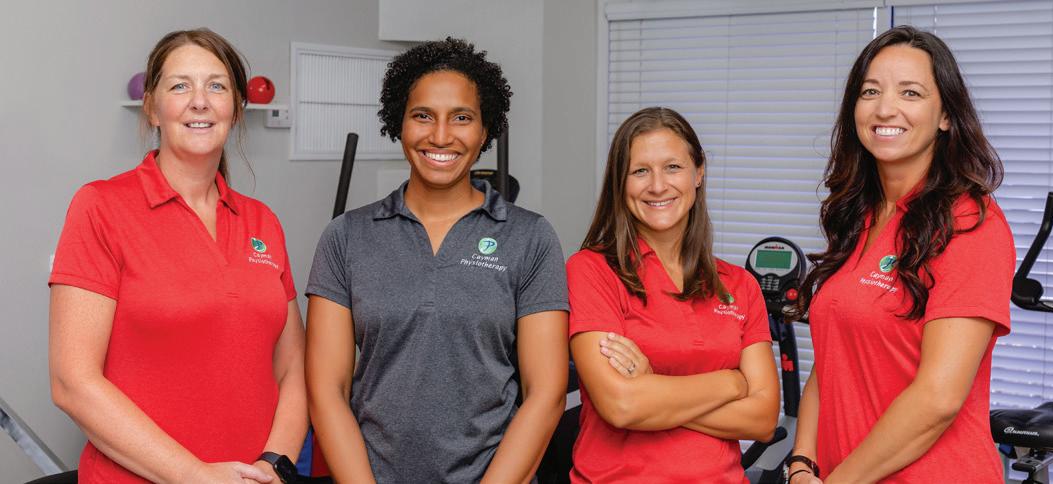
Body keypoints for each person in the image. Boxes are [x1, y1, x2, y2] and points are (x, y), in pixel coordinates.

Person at [48, 29, 307, 484]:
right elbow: (73, 382)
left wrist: (275, 466)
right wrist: (195, 475)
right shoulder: (101, 207)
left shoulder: (263, 222)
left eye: (216, 86)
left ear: (236, 108)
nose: (199, 101)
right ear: (152, 107)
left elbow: (293, 369)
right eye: (180, 85)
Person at [305, 37, 569, 483]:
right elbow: (327, 390)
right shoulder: (346, 237)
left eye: (461, 118)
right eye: (423, 115)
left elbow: (545, 393)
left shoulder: (530, 237)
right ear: (399, 123)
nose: (441, 136)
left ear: (485, 130)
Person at [788, 26, 1014, 483]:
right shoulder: (861, 216)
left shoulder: (970, 224)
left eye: (910, 92)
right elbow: (830, 365)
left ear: (946, 115)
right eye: (870, 91)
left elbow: (938, 398)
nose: (885, 108)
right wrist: (801, 465)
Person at [566, 106, 779, 483]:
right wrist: (730, 383)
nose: (657, 186)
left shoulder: (739, 285)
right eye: (640, 171)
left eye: (673, 167)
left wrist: (653, 387)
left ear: (699, 173)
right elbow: (622, 405)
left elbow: (762, 419)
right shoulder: (592, 270)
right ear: (620, 182)